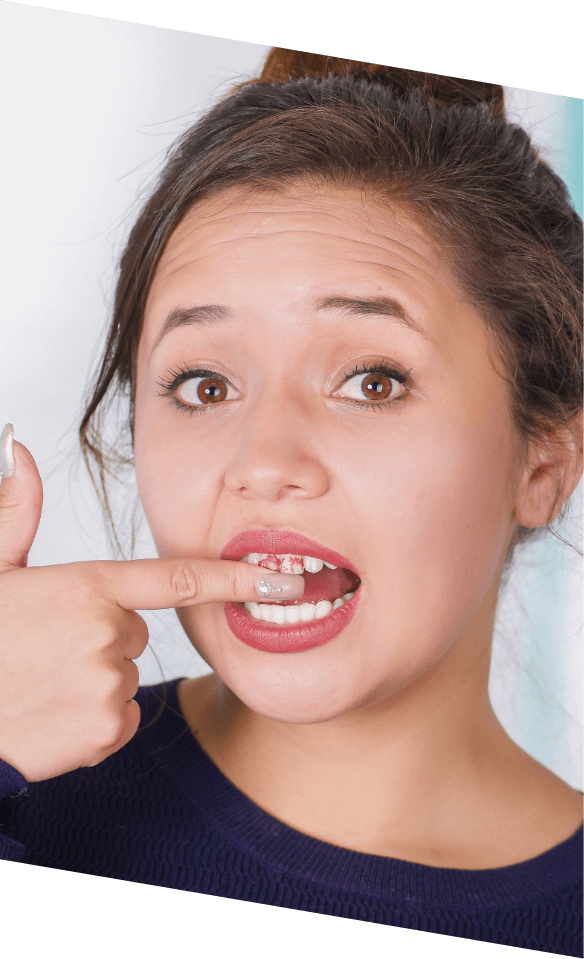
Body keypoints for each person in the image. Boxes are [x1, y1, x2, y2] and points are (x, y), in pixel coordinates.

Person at [0, 49, 582, 949]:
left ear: (543, 462)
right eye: (203, 385)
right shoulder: (28, 804)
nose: (263, 461)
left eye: (374, 381)